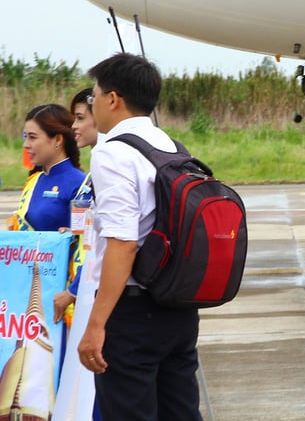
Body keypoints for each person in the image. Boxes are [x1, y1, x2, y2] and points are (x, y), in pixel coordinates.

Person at [76, 53, 202, 420]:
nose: (92, 104)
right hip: (178, 308)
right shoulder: (171, 147)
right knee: (180, 413)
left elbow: (123, 242)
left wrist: (96, 324)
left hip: (133, 314)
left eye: (93, 96)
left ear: (112, 99)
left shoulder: (113, 153)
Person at [53, 88, 103, 421]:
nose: (75, 127)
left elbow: (104, 246)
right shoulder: (90, 175)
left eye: (81, 118)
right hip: (82, 293)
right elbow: (87, 235)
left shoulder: (107, 169)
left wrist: (72, 289)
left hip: (89, 294)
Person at [8, 104, 86, 232]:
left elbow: (85, 239)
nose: (26, 145)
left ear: (58, 140)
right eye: (25, 137)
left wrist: (72, 235)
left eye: (32, 137)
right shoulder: (34, 180)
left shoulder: (80, 184)